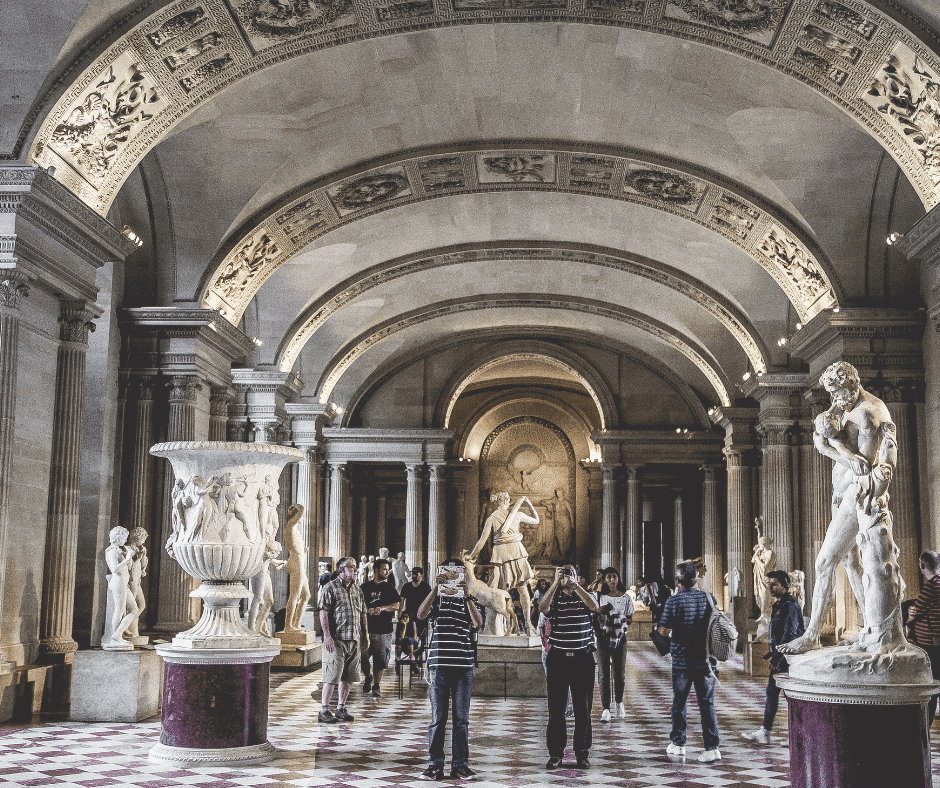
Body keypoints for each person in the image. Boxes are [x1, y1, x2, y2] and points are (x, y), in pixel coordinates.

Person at [780, 361, 903, 661]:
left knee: (825, 562)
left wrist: (847, 458)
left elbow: (869, 464)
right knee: (852, 564)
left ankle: (811, 635)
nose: (836, 398)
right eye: (832, 393)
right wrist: (845, 453)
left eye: (839, 391)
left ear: (852, 382)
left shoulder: (868, 413)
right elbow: (821, 442)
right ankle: (871, 627)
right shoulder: (843, 404)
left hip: (856, 496)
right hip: (841, 494)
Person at [416, 558, 483, 781]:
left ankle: (461, 765)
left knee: (461, 719)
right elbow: (421, 614)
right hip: (439, 665)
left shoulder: (469, 599)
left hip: (463, 665)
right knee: (438, 718)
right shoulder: (437, 599)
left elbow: (478, 623)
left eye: (458, 573)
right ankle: (435, 764)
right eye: (449, 572)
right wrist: (436, 588)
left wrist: (467, 597)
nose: (454, 576)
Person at [656, 561, 721, 763]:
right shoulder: (709, 598)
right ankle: (712, 747)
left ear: (677, 580)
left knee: (679, 704)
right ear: (696, 579)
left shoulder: (673, 602)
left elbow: (664, 631)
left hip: (683, 661)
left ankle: (678, 743)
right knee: (707, 704)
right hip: (706, 661)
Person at [538, 564, 600, 769]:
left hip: (582, 658)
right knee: (556, 709)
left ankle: (582, 753)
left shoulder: (585, 594)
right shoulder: (554, 596)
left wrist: (576, 586)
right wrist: (555, 582)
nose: (566, 576)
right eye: (562, 572)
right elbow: (542, 607)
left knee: (583, 709)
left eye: (569, 572)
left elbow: (594, 607)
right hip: (558, 658)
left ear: (578, 576)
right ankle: (556, 754)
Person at [742, 570, 804, 745]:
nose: (770, 586)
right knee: (773, 693)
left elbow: (789, 635)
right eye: (770, 583)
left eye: (775, 584)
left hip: (787, 659)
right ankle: (766, 731)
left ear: (785, 586)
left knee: (791, 697)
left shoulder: (789, 606)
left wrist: (777, 659)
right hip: (781, 658)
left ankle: (796, 736)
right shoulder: (779, 604)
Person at [468, 491, 538, 635]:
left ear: (496, 502)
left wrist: (472, 556)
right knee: (522, 590)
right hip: (515, 552)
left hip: (503, 554)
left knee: (495, 591)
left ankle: (495, 628)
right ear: (507, 502)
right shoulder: (515, 515)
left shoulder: (492, 518)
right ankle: (527, 624)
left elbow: (482, 541)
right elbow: (536, 519)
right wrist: (528, 503)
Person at [316, 556, 369, 723]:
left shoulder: (357, 589)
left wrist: (365, 634)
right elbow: (323, 612)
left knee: (348, 676)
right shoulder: (330, 587)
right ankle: (324, 710)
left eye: (354, 567)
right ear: (341, 570)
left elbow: (363, 612)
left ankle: (341, 708)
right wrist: (327, 636)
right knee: (332, 676)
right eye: (350, 567)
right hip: (336, 639)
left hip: (354, 639)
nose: (354, 570)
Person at [596, 567, 634, 722]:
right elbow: (595, 613)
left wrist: (620, 619)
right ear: (604, 580)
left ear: (618, 579)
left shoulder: (625, 598)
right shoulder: (600, 597)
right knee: (604, 674)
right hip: (603, 638)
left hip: (619, 637)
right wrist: (603, 614)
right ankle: (605, 708)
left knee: (619, 673)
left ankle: (619, 702)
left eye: (614, 577)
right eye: (609, 577)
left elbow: (630, 618)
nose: (612, 580)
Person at [361, 558, 401, 698]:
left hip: (384, 630)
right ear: (376, 570)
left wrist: (382, 608)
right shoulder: (364, 587)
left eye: (387, 569)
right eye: (384, 569)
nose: (387, 571)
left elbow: (396, 605)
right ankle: (367, 676)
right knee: (362, 658)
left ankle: (376, 685)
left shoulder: (389, 588)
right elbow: (358, 605)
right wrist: (367, 610)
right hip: (366, 630)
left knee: (380, 659)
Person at [909, 551, 940, 725]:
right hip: (935, 641)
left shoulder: (931, 586)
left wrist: (912, 612)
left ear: (922, 565)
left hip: (930, 643)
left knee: (931, 683)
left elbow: (916, 611)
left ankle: (925, 724)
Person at [400, 566, 433, 638]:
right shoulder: (406, 586)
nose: (413, 576)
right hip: (409, 615)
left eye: (416, 574)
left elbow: (430, 601)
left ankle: (421, 648)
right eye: (413, 574)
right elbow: (401, 600)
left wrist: (428, 612)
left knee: (422, 635)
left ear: (421, 575)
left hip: (422, 614)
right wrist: (399, 613)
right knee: (409, 635)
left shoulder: (426, 586)